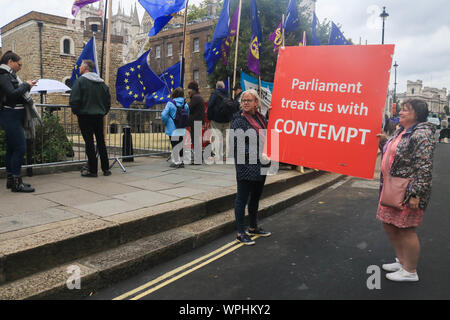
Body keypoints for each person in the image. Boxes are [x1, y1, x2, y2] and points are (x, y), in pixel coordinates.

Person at [376, 99, 436, 282]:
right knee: (390, 224)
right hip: (391, 187)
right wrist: (384, 142)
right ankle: (402, 261)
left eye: (405, 110)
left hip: (407, 190)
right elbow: (394, 154)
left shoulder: (422, 134)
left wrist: (415, 193)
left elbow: (424, 166)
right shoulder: (401, 131)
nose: (400, 112)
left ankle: (410, 270)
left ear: (416, 114)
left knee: (406, 229)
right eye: (401, 109)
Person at [230, 89, 271, 245]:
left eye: (249, 100)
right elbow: (238, 147)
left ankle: (253, 227)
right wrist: (259, 154)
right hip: (246, 166)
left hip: (261, 165)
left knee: (255, 198)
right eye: (243, 100)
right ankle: (241, 232)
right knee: (242, 199)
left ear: (256, 103)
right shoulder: (239, 121)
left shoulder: (260, 118)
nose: (245, 103)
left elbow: (269, 132)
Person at [0, 51, 38, 192]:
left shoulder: (7, 75)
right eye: (19, 64)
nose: (20, 67)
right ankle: (17, 182)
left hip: (11, 115)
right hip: (10, 115)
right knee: (20, 147)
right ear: (10, 62)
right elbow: (13, 94)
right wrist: (26, 85)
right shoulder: (3, 75)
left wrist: (26, 86)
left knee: (11, 148)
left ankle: (12, 180)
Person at [69, 59, 111, 177]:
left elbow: (74, 100)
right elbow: (108, 102)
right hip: (99, 116)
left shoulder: (80, 81)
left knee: (89, 143)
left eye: (81, 65)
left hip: (85, 116)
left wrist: (77, 112)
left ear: (85, 68)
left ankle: (92, 170)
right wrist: (103, 112)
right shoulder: (102, 84)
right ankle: (106, 169)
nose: (79, 67)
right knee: (101, 142)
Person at [207, 81, 236, 161]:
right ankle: (225, 155)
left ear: (217, 87)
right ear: (223, 87)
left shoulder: (214, 95)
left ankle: (216, 155)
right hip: (227, 119)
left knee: (216, 136)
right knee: (226, 137)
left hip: (216, 119)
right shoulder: (228, 94)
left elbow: (210, 106)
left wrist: (209, 117)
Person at [161, 87, 190, 168]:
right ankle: (182, 162)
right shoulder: (185, 104)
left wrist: (164, 122)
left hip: (172, 128)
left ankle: (176, 162)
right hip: (181, 127)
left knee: (174, 145)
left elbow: (164, 115)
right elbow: (187, 114)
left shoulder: (170, 103)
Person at [187, 81, 205, 164]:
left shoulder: (195, 98)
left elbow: (188, 108)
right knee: (197, 140)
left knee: (196, 141)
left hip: (196, 122)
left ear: (193, 89)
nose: (188, 91)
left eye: (189, 89)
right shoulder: (198, 97)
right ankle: (199, 158)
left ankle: (198, 160)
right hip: (198, 122)